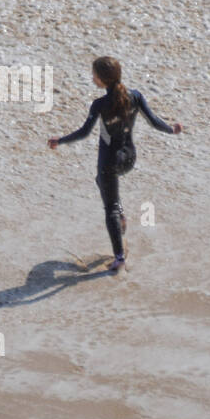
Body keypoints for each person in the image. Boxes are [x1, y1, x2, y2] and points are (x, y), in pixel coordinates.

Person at [48, 57, 181, 271]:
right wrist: (171, 130)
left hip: (109, 162)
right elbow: (154, 121)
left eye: (94, 75)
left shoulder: (99, 104)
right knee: (102, 183)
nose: (92, 77)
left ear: (100, 79)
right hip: (129, 158)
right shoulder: (135, 96)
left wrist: (60, 140)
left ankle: (119, 257)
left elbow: (83, 133)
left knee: (109, 206)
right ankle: (119, 213)